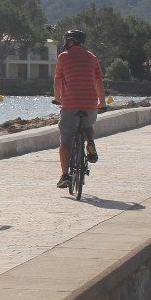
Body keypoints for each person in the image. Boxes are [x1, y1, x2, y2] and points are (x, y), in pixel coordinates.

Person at [53, 29, 106, 188]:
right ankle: (90, 141)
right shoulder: (92, 57)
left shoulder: (63, 57)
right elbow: (99, 82)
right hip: (90, 104)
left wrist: (57, 98)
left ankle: (64, 176)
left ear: (69, 41)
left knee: (66, 140)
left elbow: (58, 80)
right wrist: (102, 102)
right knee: (88, 125)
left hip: (70, 104)